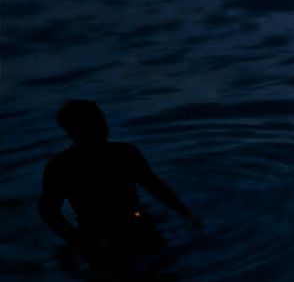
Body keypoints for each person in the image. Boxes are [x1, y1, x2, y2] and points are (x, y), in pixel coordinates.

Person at [38, 100, 203, 262]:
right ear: (74, 131)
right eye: (94, 124)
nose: (102, 127)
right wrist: (76, 239)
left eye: (101, 121)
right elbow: (48, 211)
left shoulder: (121, 154)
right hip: (106, 233)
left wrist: (185, 212)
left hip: (121, 229)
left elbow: (155, 186)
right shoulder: (66, 166)